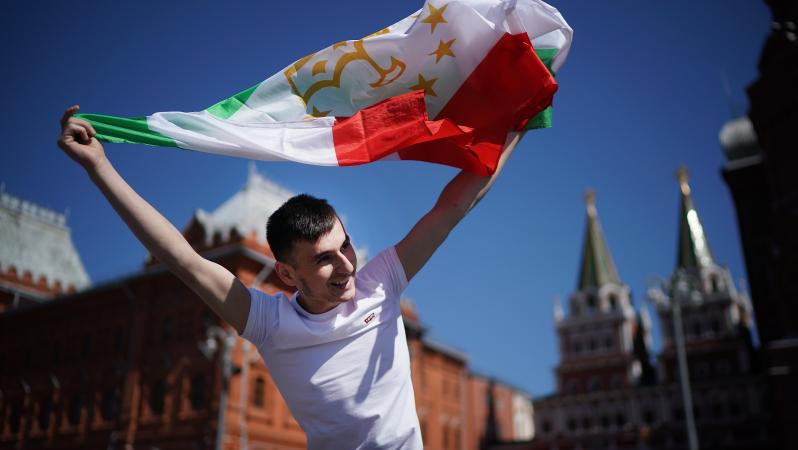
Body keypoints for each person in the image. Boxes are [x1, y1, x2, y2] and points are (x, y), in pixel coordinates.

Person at [58, 105, 523, 449]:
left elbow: (453, 206)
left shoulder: (382, 282)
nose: (346, 265)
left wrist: (519, 119)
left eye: (346, 246)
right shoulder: (270, 323)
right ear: (286, 272)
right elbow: (183, 259)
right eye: (323, 260)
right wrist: (99, 167)